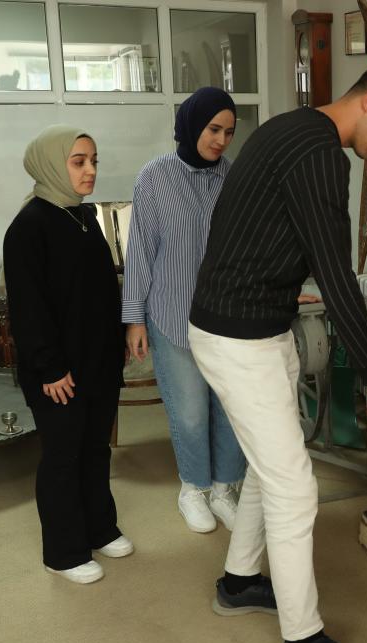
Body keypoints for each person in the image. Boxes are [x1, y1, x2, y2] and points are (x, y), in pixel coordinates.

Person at [188, 61, 367, 643]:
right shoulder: (321, 153)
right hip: (239, 338)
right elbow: (336, 270)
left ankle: (240, 582)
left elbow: (276, 237)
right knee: (296, 488)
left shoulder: (291, 129)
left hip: (256, 327)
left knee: (273, 467)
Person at [3, 125, 130, 585]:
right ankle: (63, 552)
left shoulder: (83, 216)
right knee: (63, 458)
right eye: (78, 162)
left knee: (95, 449)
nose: (90, 170)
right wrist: (49, 368)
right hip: (57, 371)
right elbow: (28, 308)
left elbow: (99, 292)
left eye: (93, 160)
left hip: (97, 363)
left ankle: (99, 528)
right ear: (53, 164)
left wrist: (117, 342)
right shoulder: (29, 227)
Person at [123, 88, 247, 534]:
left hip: (226, 319)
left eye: (229, 132)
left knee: (230, 409)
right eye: (214, 129)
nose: (221, 140)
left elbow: (246, 250)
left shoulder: (234, 177)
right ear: (192, 124)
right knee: (190, 412)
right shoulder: (154, 177)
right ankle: (193, 488)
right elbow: (140, 252)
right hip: (172, 315)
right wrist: (134, 318)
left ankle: (224, 488)